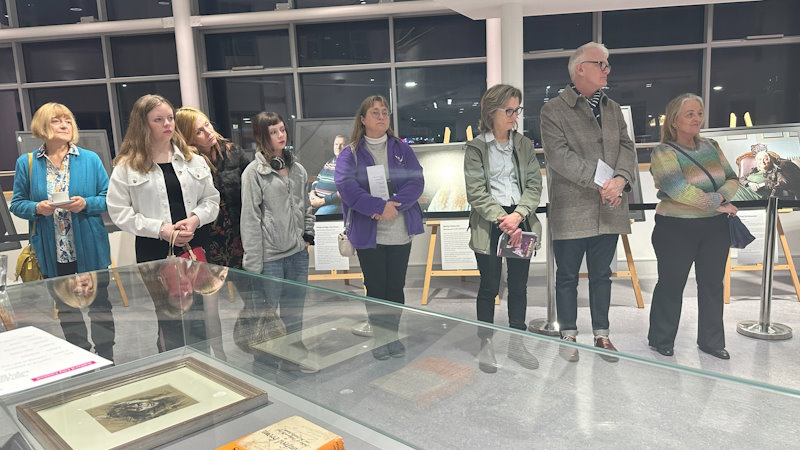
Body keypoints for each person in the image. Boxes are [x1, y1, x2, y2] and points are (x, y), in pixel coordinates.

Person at [540, 42, 636, 362]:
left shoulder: (612, 108)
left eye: (607, 64)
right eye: (601, 64)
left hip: (609, 207)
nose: (607, 69)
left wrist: (620, 180)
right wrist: (602, 183)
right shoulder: (553, 110)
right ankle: (568, 334)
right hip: (572, 208)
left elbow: (626, 147)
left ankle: (602, 335)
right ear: (580, 68)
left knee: (601, 275)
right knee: (567, 276)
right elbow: (558, 157)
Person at [648, 93, 739, 359]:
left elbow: (732, 179)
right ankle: (661, 338)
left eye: (699, 112)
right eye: (690, 113)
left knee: (712, 284)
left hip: (715, 227)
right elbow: (677, 189)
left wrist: (719, 200)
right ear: (674, 120)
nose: (697, 118)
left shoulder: (711, 146)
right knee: (671, 283)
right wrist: (716, 202)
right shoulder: (663, 152)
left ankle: (711, 341)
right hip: (675, 228)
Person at [334, 95, 424, 361]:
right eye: (375, 112)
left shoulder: (402, 148)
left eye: (385, 112)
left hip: (399, 230)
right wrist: (377, 206)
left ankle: (392, 336)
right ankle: (380, 339)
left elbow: (416, 180)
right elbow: (347, 188)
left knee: (396, 288)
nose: (382, 117)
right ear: (363, 120)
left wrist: (394, 205)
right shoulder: (350, 153)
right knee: (375, 288)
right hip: (368, 232)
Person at [464, 84, 542, 373]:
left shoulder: (523, 145)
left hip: (520, 221)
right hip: (490, 223)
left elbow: (534, 185)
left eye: (516, 110)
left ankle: (517, 343)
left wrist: (519, 215)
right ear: (491, 112)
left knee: (519, 286)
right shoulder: (475, 149)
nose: (514, 116)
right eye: (508, 110)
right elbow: (476, 191)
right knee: (489, 286)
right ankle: (486, 343)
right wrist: (503, 219)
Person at [241, 111, 316, 372]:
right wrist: (253, 265)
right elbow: (249, 219)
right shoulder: (253, 173)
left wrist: (307, 234)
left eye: (282, 129)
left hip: (297, 254)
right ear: (262, 136)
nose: (280, 135)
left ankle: (293, 356)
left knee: (295, 311)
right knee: (266, 314)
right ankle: (264, 361)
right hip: (270, 258)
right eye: (273, 132)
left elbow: (305, 206)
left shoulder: (298, 170)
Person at [107, 94, 220, 263]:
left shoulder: (194, 160)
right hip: (153, 248)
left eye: (170, 118)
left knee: (201, 290)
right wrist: (160, 229)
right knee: (160, 291)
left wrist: (195, 220)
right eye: (158, 120)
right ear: (143, 125)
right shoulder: (126, 166)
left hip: (195, 244)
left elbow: (211, 200)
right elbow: (119, 212)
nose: (167, 124)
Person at [10, 102, 111, 280]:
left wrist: (86, 203)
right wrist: (37, 208)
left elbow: (108, 198)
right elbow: (17, 204)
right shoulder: (26, 163)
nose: (64, 125)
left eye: (68, 121)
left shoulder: (91, 159)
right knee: (64, 306)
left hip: (89, 245)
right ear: (41, 126)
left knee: (100, 304)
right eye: (56, 121)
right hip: (51, 250)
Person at [175, 107, 252, 268]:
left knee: (250, 287)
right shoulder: (186, 163)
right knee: (212, 287)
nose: (209, 132)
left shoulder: (233, 152)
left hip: (240, 230)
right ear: (188, 137)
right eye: (199, 132)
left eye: (208, 125)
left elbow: (252, 191)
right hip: (207, 235)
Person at [310, 134, 346, 215]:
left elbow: (344, 192)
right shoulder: (330, 161)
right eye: (336, 144)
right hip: (317, 197)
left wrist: (321, 201)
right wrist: (312, 193)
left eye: (342, 145)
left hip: (333, 203)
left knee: (318, 220)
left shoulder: (350, 164)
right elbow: (318, 179)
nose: (338, 147)